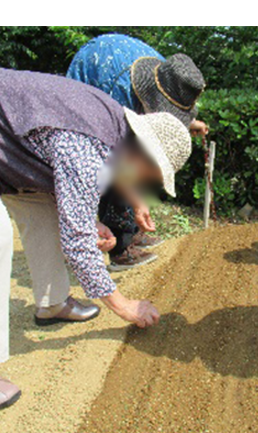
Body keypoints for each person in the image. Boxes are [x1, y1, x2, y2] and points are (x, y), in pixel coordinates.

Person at [0, 64, 192, 409]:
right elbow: (79, 241)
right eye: (153, 174)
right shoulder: (87, 150)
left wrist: (123, 202)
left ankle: (52, 303)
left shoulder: (114, 124)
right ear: (143, 153)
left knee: (42, 208)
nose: (147, 181)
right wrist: (124, 305)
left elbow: (91, 175)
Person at [67, 34, 207, 272]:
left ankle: (132, 232)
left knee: (146, 159)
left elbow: (167, 115)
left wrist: (189, 124)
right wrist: (135, 199)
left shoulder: (172, 75)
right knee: (124, 165)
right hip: (92, 84)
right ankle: (120, 247)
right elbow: (113, 160)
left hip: (114, 73)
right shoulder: (114, 94)